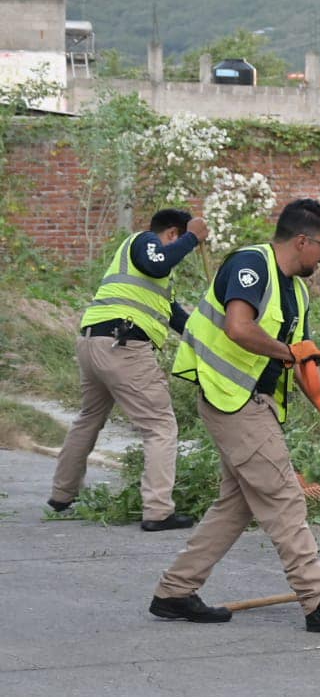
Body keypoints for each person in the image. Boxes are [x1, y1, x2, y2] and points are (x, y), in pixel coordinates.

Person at [149, 198, 320, 632]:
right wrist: (286, 352)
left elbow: (305, 361)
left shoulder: (298, 291)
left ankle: (174, 592)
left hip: (255, 402)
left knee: (235, 507)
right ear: (301, 241)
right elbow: (239, 328)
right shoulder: (250, 265)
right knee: (284, 498)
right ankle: (318, 601)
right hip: (231, 398)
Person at [48, 208, 209, 531]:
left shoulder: (152, 279)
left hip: (95, 343)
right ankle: (158, 511)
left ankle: (61, 495)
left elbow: (177, 317)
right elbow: (158, 260)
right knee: (160, 426)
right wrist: (195, 236)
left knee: (88, 418)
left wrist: (214, 339)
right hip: (122, 346)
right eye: (180, 238)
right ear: (173, 234)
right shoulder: (145, 243)